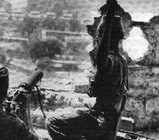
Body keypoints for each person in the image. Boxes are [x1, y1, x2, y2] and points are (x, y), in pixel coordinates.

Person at [45, 2, 128, 140]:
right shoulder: (122, 60)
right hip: (107, 120)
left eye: (99, 36)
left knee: (52, 121)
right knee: (67, 113)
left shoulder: (110, 61)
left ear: (106, 39)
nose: (97, 38)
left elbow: (101, 60)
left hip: (98, 120)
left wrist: (106, 28)